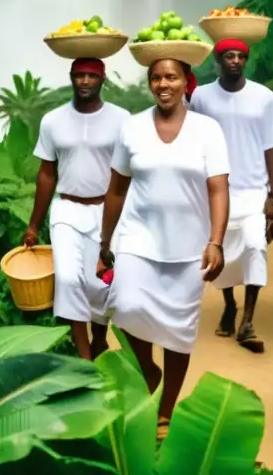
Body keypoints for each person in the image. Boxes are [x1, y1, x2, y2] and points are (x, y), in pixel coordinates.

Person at [97, 56, 229, 441]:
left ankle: (166, 410)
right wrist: (105, 241)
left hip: (189, 246)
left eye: (171, 76)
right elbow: (118, 188)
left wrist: (216, 241)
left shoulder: (208, 130)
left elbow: (218, 188)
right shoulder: (132, 128)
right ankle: (147, 369)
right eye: (155, 78)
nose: (163, 84)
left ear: (186, 81)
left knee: (179, 332)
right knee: (125, 306)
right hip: (139, 238)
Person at [24, 57, 131, 360]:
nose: (85, 81)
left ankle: (99, 338)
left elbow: (128, 172)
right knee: (69, 280)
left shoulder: (122, 119)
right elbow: (46, 173)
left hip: (107, 211)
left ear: (103, 80)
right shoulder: (52, 120)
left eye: (91, 76)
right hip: (67, 209)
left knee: (103, 284)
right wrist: (34, 224)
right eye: (79, 75)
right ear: (71, 78)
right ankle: (85, 357)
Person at [188, 37, 273, 353]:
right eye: (228, 56)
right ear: (217, 62)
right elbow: (193, 139)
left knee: (255, 246)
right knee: (223, 252)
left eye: (240, 56)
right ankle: (230, 304)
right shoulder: (202, 97)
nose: (235, 61)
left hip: (254, 190)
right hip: (215, 191)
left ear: (246, 61)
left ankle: (248, 320)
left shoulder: (265, 98)